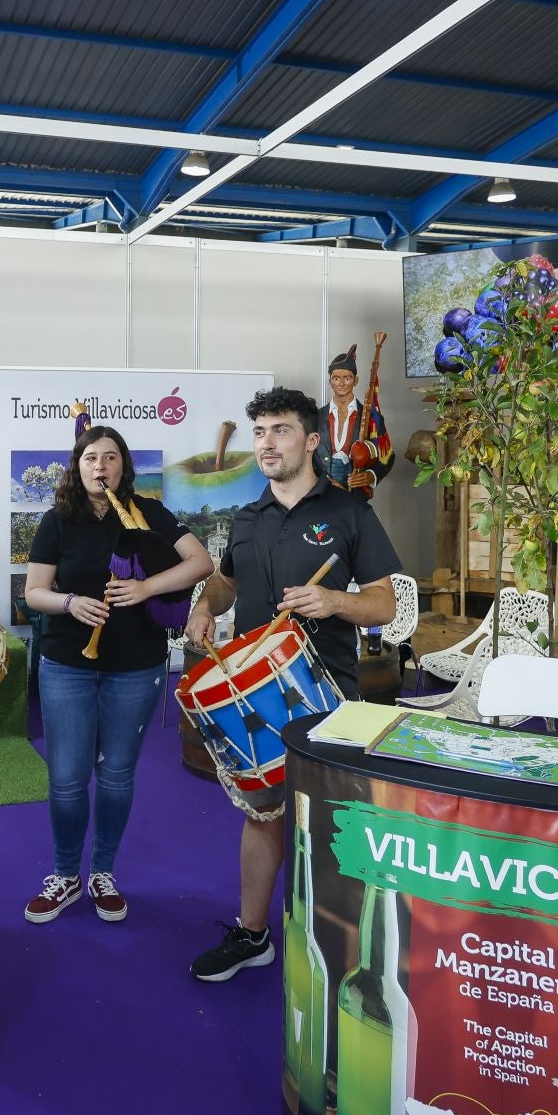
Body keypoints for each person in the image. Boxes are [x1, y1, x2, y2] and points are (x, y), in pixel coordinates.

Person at [184, 387, 400, 981]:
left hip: (328, 692)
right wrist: (206, 605)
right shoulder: (248, 517)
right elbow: (227, 582)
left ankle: (346, 949)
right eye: (259, 432)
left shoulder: (348, 512)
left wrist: (333, 600)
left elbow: (384, 604)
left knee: (333, 822)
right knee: (263, 817)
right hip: (258, 692)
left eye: (279, 430)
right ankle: (254, 934)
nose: (265, 443)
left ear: (310, 440)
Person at [22, 425, 211, 923]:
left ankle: (103, 871)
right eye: (90, 458)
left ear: (123, 466)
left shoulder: (149, 514)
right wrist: (70, 603)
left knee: (117, 774)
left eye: (110, 457)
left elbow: (200, 562)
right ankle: (65, 874)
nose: (100, 466)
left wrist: (146, 589)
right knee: (66, 779)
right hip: (67, 663)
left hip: (135, 665)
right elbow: (34, 592)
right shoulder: (57, 520)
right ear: (77, 465)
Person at [315, 346, 392, 496]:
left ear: (355, 381)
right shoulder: (316, 416)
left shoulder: (370, 416)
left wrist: (371, 475)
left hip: (356, 495)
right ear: (330, 382)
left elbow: (387, 454)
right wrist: (324, 483)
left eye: (347, 378)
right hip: (322, 493)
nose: (341, 383)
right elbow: (307, 456)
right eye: (336, 378)